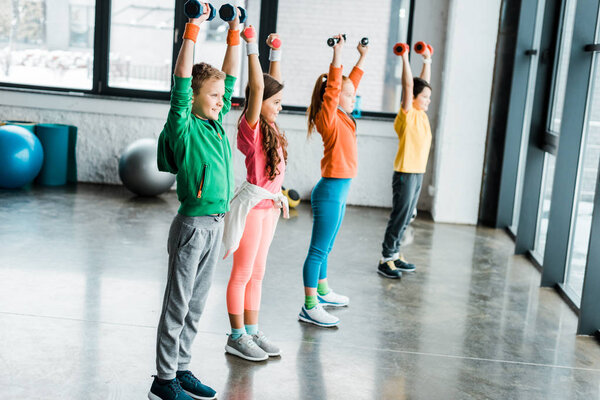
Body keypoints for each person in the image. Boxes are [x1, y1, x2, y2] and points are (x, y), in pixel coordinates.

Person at [149, 5, 241, 400]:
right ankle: (163, 380)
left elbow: (231, 78)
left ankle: (182, 368)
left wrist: (234, 31)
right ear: (194, 97)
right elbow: (182, 81)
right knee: (177, 306)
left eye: (223, 96)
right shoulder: (184, 125)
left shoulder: (216, 123)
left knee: (197, 306)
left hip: (216, 225)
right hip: (191, 229)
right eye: (214, 95)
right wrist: (193, 28)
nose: (222, 100)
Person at [222, 29, 289, 361]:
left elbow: (271, 86)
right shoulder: (252, 126)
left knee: (258, 272)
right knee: (243, 272)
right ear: (257, 103)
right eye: (275, 104)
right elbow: (260, 88)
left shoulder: (271, 123)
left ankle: (252, 330)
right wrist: (252, 47)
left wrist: (276, 53)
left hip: (268, 209)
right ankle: (235, 337)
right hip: (251, 209)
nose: (278, 107)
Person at [298, 34, 368, 327]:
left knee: (325, 248)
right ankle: (309, 306)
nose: (354, 99)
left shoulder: (345, 114)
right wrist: (338, 54)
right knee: (317, 250)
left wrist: (361, 57)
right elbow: (338, 87)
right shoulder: (329, 117)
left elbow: (349, 85)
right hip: (328, 193)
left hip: (339, 190)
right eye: (348, 96)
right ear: (334, 96)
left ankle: (323, 292)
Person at [377, 43, 433, 279]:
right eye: (426, 97)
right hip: (405, 172)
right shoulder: (407, 115)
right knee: (400, 215)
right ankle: (386, 258)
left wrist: (427, 61)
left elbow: (420, 85)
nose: (429, 100)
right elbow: (410, 85)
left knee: (408, 215)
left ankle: (396, 253)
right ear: (414, 99)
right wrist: (405, 58)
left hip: (417, 172)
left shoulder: (420, 112)